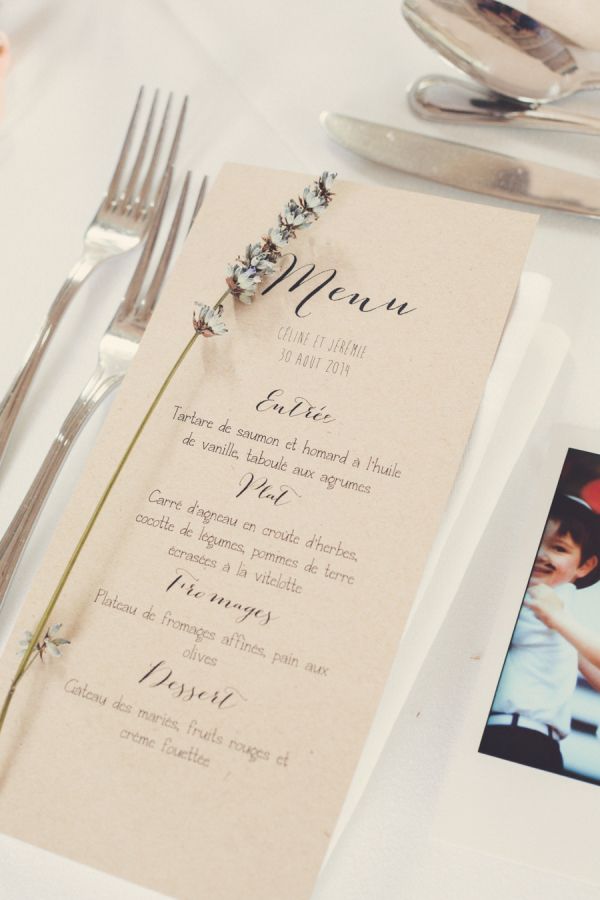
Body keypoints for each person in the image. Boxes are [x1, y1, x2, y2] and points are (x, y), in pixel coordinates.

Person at [480, 492, 600, 775]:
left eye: (559, 548)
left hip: (521, 739)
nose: (541, 554)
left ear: (584, 566)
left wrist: (558, 619)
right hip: (511, 734)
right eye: (535, 541)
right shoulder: (535, 604)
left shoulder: (548, 607)